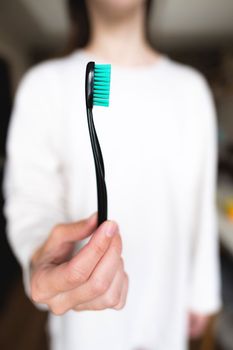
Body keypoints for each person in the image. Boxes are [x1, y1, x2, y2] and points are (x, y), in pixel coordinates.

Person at [3, 0, 221, 349]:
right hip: (83, 330)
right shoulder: (43, 85)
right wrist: (43, 255)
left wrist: (203, 293)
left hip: (166, 318)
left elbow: (200, 204)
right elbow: (30, 202)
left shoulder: (191, 90)